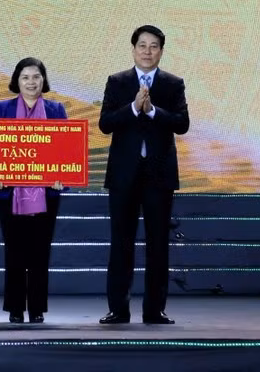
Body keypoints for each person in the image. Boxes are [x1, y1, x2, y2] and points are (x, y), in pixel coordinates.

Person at [98, 25, 189, 325]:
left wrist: (152, 112)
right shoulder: (117, 81)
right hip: (124, 177)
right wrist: (134, 108)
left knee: (158, 245)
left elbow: (182, 124)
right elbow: (105, 124)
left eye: (153, 47)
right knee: (120, 243)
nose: (147, 51)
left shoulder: (173, 84)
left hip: (158, 177)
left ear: (161, 51)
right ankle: (117, 309)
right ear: (133, 49)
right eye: (142, 46)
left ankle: (155, 310)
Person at [0, 57, 66, 324]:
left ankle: (36, 308)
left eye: (36, 77)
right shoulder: (3, 107)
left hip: (46, 192)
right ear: (17, 81)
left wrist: (62, 178)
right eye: (25, 77)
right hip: (10, 193)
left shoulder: (57, 110)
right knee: (14, 250)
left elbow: (65, 150)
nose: (31, 82)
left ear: (43, 80)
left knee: (40, 251)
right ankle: (14, 307)